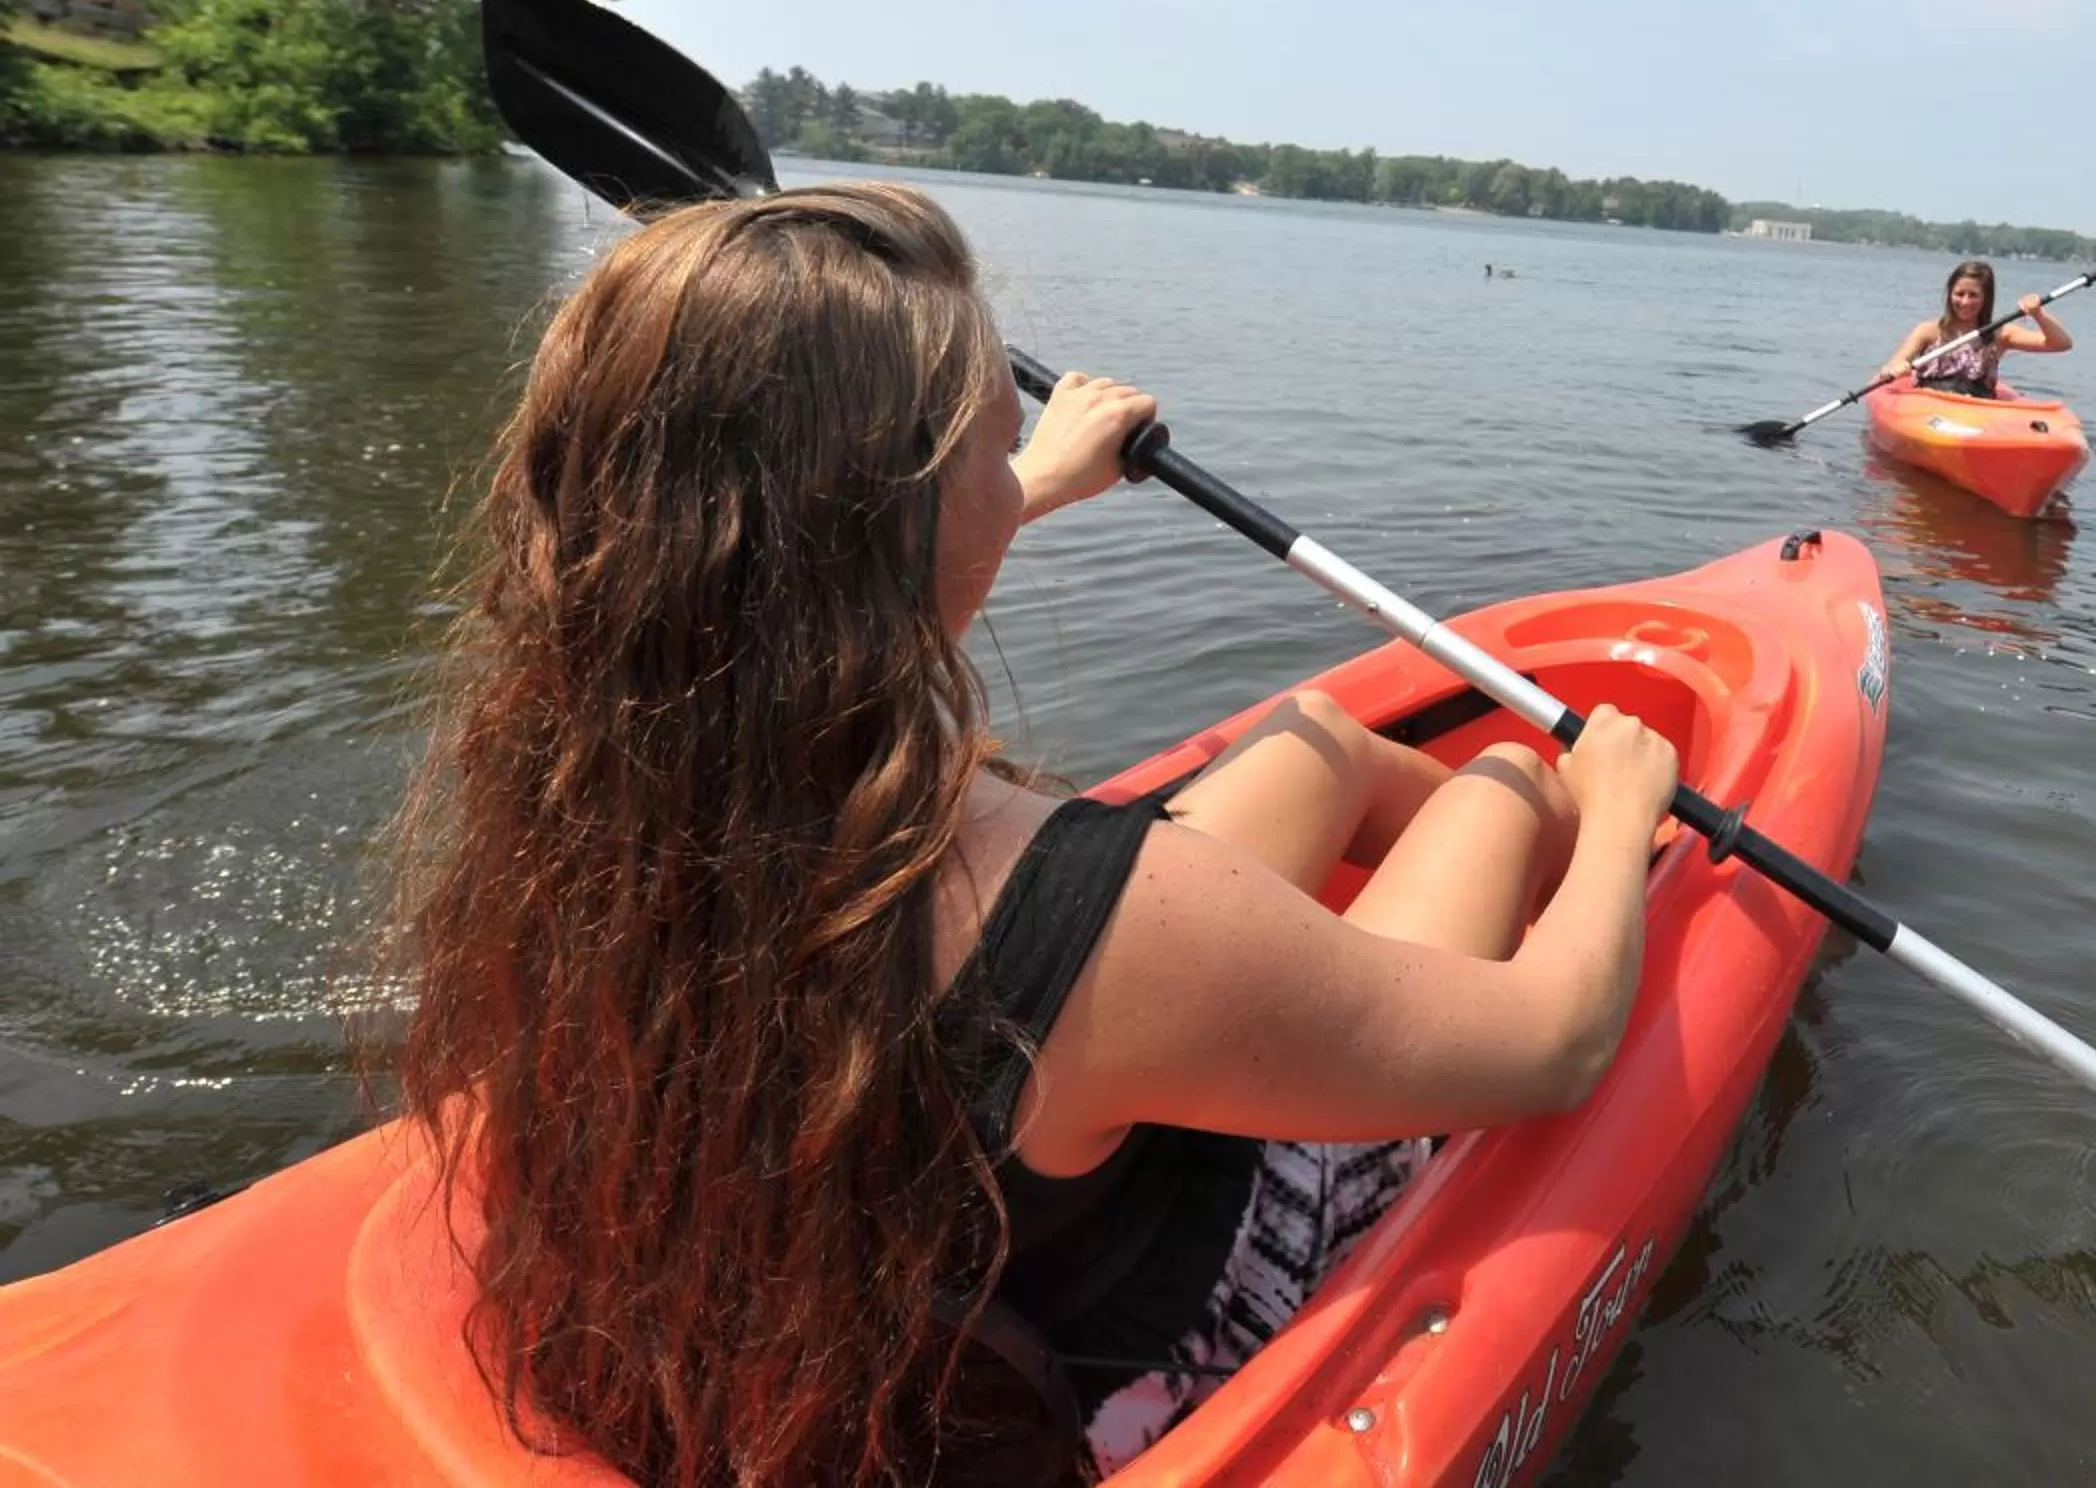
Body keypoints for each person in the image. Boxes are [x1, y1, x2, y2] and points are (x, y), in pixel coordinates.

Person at [384, 182, 1678, 1487]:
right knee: (1499, 785)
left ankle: (1438, 937)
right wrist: (1620, 810)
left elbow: (778, 590)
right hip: (1134, 1329)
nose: (1019, 479)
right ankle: (1586, 892)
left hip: (967, 1225)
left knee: (1321, 740)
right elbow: (1557, 1046)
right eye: (998, 452)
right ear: (897, 520)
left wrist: (1038, 482)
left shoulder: (605, 780)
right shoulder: (1081, 917)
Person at [1874, 257, 2070, 398]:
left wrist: (2038, 314)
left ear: (1986, 298)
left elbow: (2061, 344)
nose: (1965, 302)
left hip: (1977, 409)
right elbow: (1895, 363)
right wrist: (1896, 368)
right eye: (1959, 294)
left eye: (1973, 295)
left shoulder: (2001, 334)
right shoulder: (1929, 331)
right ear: (1950, 294)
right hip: (1930, 405)